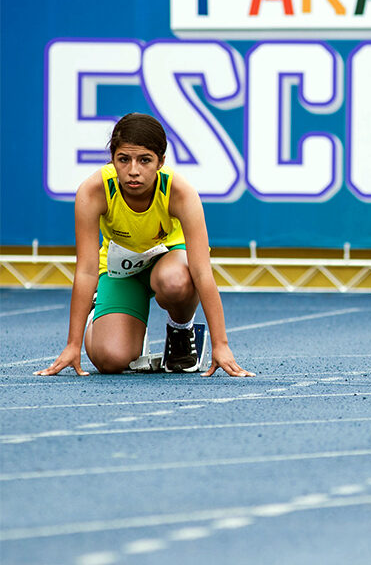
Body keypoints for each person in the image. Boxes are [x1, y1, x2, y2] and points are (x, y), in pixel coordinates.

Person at [35, 113, 252, 377]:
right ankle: (105, 313)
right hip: (122, 272)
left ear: (161, 162)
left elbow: (201, 272)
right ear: (112, 159)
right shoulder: (93, 191)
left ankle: (181, 332)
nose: (133, 170)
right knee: (110, 361)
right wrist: (73, 345)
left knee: (175, 281)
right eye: (123, 159)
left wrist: (221, 345)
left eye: (145, 160)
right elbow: (87, 271)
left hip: (169, 264)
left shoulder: (180, 192)